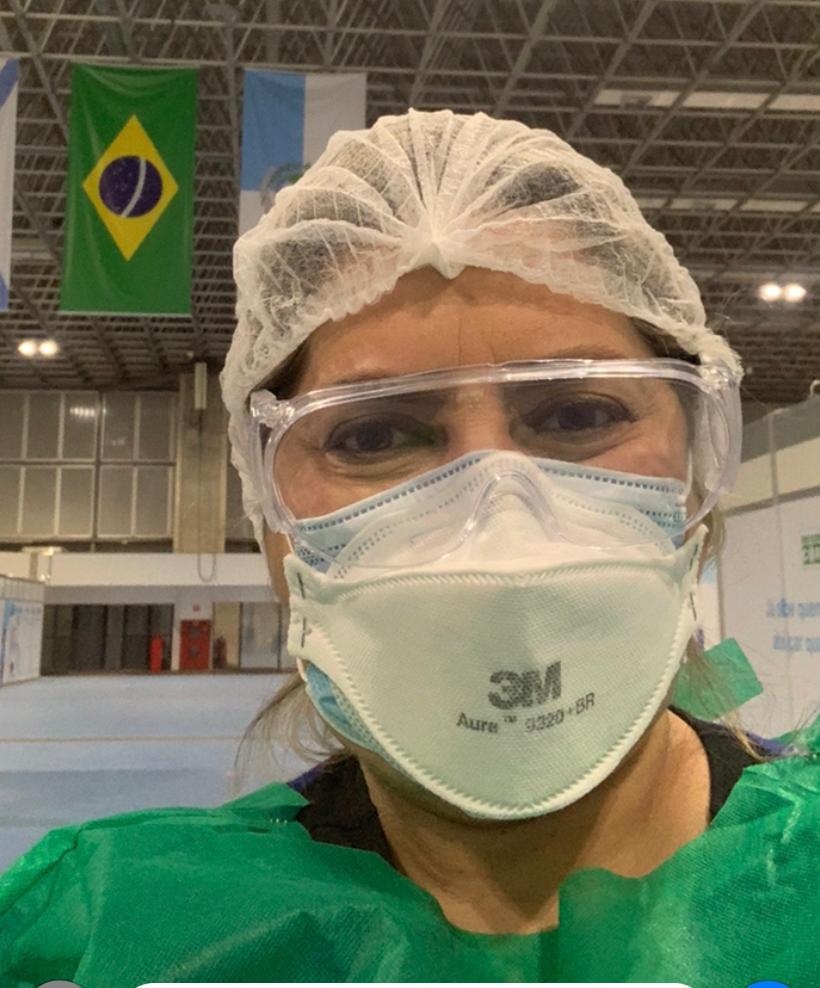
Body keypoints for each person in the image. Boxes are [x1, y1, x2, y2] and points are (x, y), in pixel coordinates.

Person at [0, 110, 816, 987]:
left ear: (697, 466)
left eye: (581, 414)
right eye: (372, 433)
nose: (497, 516)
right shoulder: (108, 945)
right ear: (270, 517)